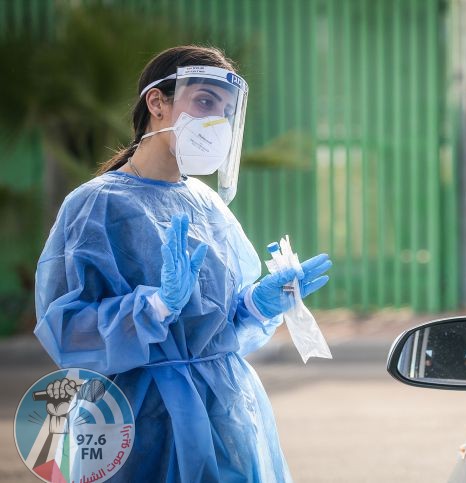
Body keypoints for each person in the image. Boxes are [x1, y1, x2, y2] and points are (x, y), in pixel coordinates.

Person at [33, 45, 331, 482]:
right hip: (138, 418)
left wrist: (256, 305)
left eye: (226, 111)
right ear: (157, 102)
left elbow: (218, 326)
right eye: (205, 102)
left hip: (227, 414)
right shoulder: (95, 204)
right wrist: (154, 308)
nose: (218, 122)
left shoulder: (207, 203)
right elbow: (66, 331)